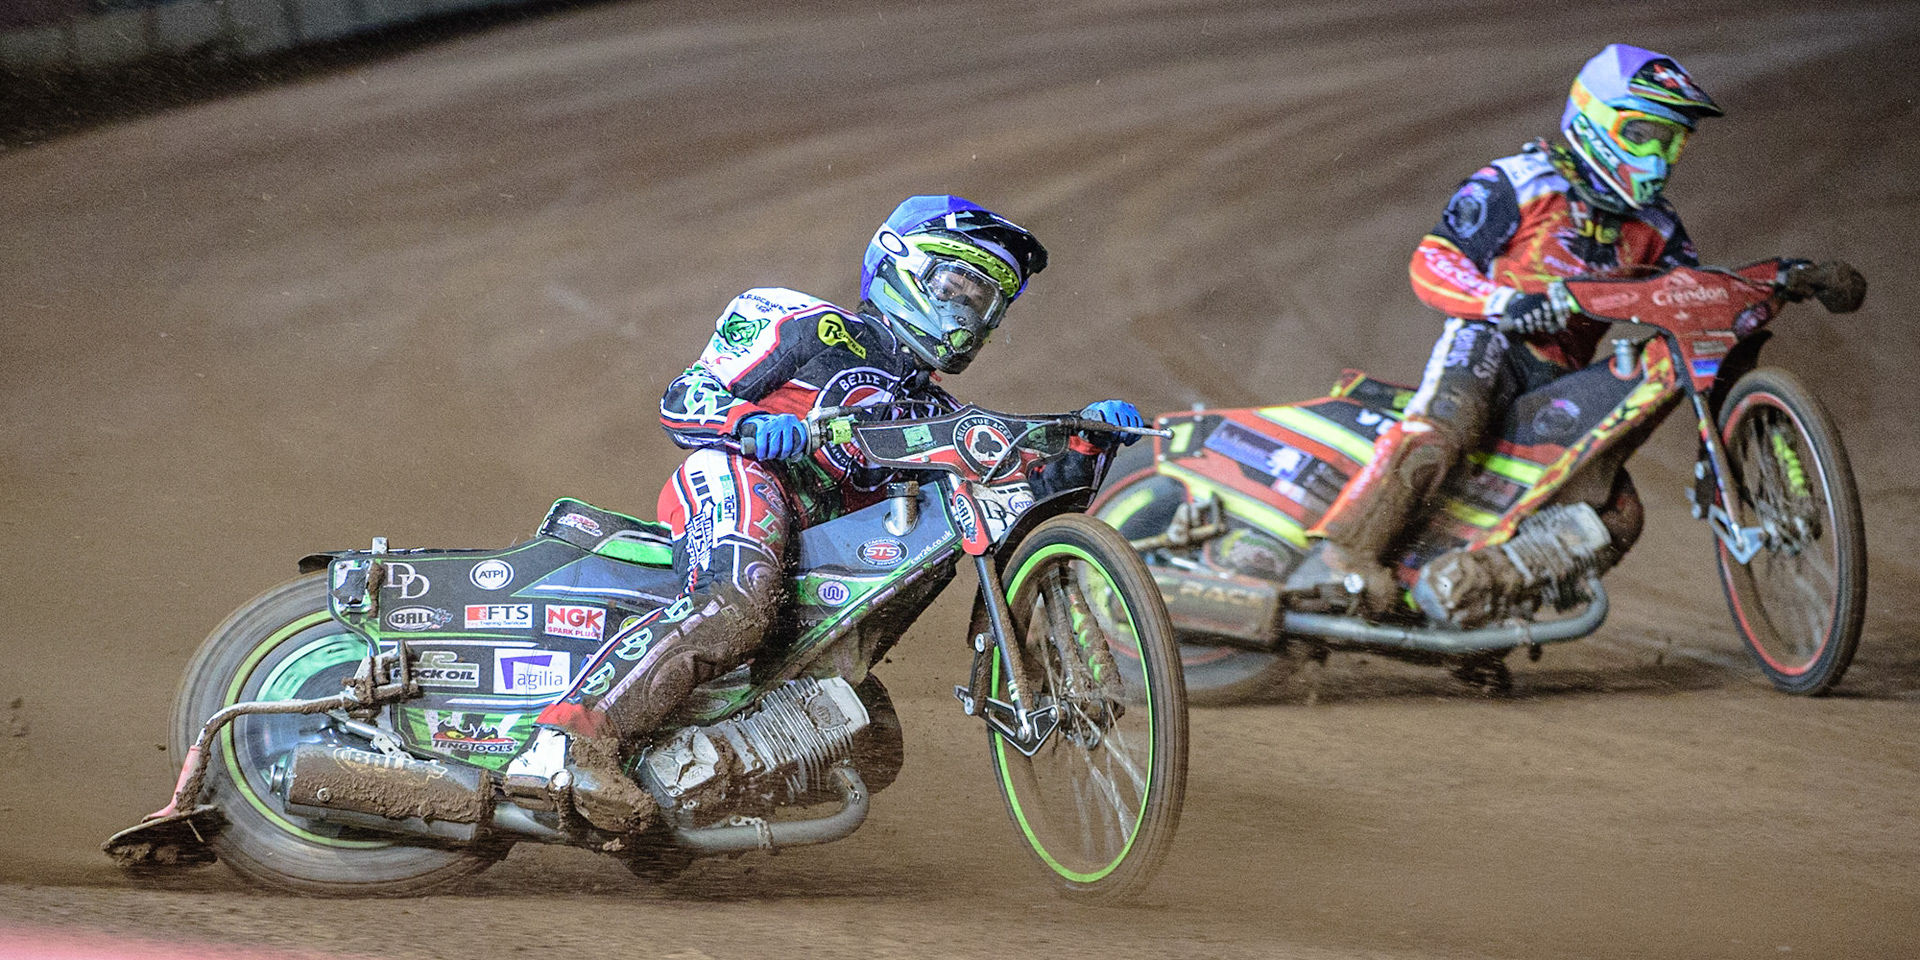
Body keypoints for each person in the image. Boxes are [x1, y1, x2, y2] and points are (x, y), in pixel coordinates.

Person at [535, 195, 1145, 833]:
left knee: (873, 737)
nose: (968, 315)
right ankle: (569, 740)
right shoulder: (805, 324)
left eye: (984, 303)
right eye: (958, 288)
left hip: (822, 555)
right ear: (901, 267)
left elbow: (1026, 501)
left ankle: (678, 808)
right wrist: (753, 424)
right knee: (740, 600)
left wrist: (1084, 440)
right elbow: (686, 396)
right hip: (745, 477)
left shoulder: (941, 417)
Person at [1305, 44, 1723, 617]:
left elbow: (1690, 301)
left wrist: (1777, 282)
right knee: (1446, 427)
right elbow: (1432, 261)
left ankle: (1471, 594)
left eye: (1673, 140)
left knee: (1616, 511)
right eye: (1646, 133)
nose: (1661, 154)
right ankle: (1343, 558)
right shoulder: (1521, 181)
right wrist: (1502, 302)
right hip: (1492, 343)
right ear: (1596, 119)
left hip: (1565, 380)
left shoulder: (1659, 227)